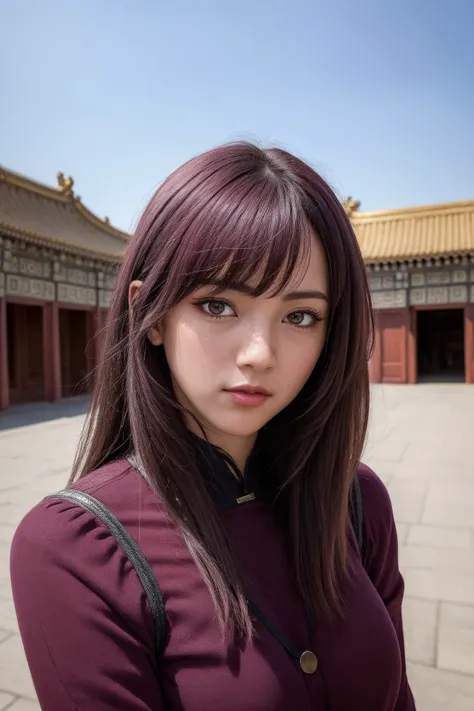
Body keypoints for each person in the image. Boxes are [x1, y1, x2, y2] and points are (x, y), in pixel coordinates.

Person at [10, 142, 416, 710]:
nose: (259, 353)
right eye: (219, 305)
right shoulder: (79, 551)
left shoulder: (356, 502)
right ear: (151, 314)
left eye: (300, 316)